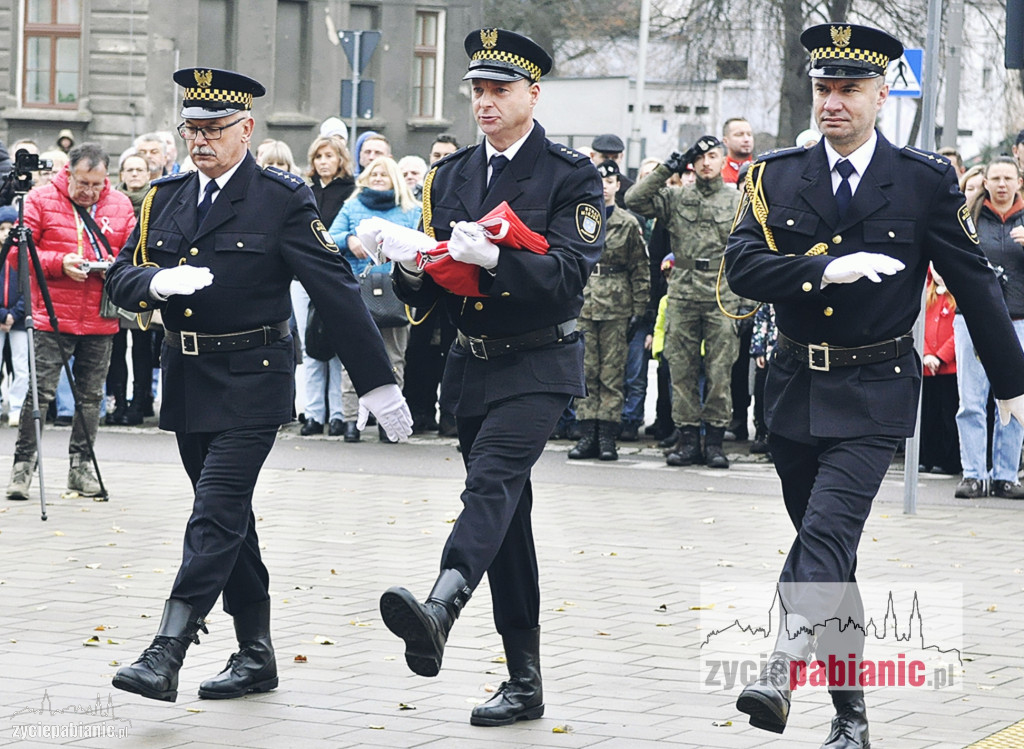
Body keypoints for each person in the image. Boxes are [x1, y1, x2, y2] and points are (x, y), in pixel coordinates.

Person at [724, 24, 1024, 746]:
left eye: (849, 89)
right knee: (831, 554)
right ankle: (851, 714)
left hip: (875, 389)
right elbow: (740, 267)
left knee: (826, 531)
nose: (833, 102)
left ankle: (780, 662)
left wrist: (1012, 380)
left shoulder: (922, 180)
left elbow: (973, 281)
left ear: (881, 96)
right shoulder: (777, 173)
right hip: (796, 384)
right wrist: (821, 270)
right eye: (824, 88)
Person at [105, 67, 411, 703]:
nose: (201, 141)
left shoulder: (283, 197)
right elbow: (120, 276)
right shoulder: (165, 196)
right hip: (188, 376)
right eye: (192, 129)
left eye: (215, 129)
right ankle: (256, 654)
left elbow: (334, 289)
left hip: (254, 377)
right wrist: (155, 285)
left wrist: (378, 385)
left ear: (246, 129)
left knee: (213, 511)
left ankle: (168, 647)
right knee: (230, 519)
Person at [366, 28, 603, 726]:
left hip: (539, 360)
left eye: (500, 88)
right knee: (509, 517)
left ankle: (442, 603)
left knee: (490, 483)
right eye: (477, 88)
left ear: (534, 93)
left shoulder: (571, 175)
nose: (485, 101)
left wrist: (501, 261)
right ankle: (525, 680)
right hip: (474, 363)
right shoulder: (452, 174)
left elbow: (568, 275)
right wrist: (410, 264)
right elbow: (430, 291)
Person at [5, 143, 136, 500]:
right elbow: (18, 253)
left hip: (99, 316)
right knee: (41, 393)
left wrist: (115, 268)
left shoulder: (121, 205)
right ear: (69, 174)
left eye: (97, 184)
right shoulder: (39, 199)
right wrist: (58, 262)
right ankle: (22, 468)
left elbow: (133, 255)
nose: (89, 191)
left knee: (91, 397)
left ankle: (81, 469)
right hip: (52, 314)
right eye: (83, 183)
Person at [625, 135, 741, 468]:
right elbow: (635, 198)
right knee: (682, 370)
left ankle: (715, 442)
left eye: (713, 156)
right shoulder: (676, 197)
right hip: (683, 291)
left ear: (723, 160)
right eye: (700, 157)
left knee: (720, 372)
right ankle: (687, 439)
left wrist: (743, 300)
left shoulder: (737, 201)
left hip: (722, 292)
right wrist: (669, 167)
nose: (707, 163)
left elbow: (752, 249)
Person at [328, 156, 419, 442]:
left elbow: (422, 242)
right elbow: (331, 236)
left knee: (394, 357)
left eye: (384, 173)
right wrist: (349, 240)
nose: (378, 177)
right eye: (374, 173)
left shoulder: (410, 210)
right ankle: (351, 420)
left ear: (395, 179)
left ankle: (388, 421)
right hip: (357, 289)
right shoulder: (352, 206)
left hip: (397, 289)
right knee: (352, 357)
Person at [953, 157, 1024, 498]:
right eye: (994, 178)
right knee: (971, 401)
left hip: (1018, 321)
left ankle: (1006, 475)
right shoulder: (970, 216)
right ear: (985, 182)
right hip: (972, 319)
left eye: (1007, 178)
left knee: (1014, 401)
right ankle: (972, 474)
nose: (1001, 184)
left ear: (1018, 182)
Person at [569, 159, 648, 461]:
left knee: (612, 374)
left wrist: (639, 309)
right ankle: (586, 432)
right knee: (585, 371)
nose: (604, 186)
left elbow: (639, 269)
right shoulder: (581, 219)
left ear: (618, 185)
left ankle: (607, 437)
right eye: (599, 180)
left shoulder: (628, 223)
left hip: (617, 305)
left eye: (610, 181)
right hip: (584, 303)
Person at [293, 134, 356, 436]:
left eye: (329, 156)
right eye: (318, 157)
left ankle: (338, 414)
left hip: (335, 277)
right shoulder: (304, 192)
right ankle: (314, 413)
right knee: (311, 346)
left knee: (338, 346)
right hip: (302, 277)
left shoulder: (351, 191)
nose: (323, 162)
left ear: (340, 159)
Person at [404, 135, 462, 436]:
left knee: (454, 352)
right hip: (428, 284)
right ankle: (420, 412)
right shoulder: (425, 192)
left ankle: (451, 416)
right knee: (420, 353)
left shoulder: (465, 189)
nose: (440, 160)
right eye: (436, 154)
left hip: (457, 284)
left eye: (447, 155)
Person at [107, 153, 155, 426]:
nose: (135, 174)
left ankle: (140, 402)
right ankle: (118, 402)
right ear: (121, 174)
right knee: (115, 348)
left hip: (144, 280)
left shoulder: (157, 199)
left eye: (140, 169)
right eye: (130, 169)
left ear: (148, 174)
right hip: (117, 278)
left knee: (142, 348)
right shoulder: (112, 202)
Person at [920, 266, 960, 475]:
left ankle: (949, 460)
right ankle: (927, 457)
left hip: (949, 368)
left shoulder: (958, 296)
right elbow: (918, 326)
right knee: (928, 415)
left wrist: (940, 356)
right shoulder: (925, 294)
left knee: (949, 416)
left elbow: (959, 333)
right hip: (927, 368)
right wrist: (926, 353)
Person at [0, 205, 27, 427]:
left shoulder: (23, 256)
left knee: (21, 365)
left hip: (18, 320)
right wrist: (1, 314)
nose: (6, 233)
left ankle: (17, 407)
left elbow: (29, 288)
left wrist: (14, 313)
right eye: (2, 228)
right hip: (0, 318)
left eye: (11, 228)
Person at [720, 117, 754, 185]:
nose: (746, 139)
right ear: (725, 141)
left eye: (749, 134)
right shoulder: (718, 172)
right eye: (739, 135)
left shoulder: (761, 170)